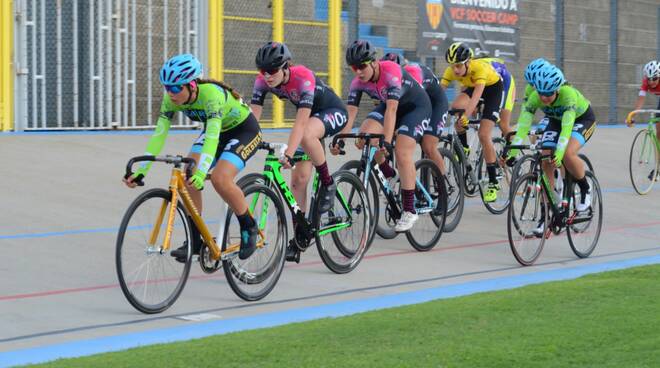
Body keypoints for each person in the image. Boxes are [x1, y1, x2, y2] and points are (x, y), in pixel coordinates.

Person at [123, 53, 261, 261]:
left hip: (244, 131)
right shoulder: (171, 100)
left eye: (176, 88)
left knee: (220, 179)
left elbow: (212, 137)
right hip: (217, 132)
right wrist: (141, 170)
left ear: (192, 85)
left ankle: (248, 225)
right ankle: (196, 240)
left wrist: (203, 171)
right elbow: (158, 135)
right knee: (188, 176)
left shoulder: (212, 96)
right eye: (167, 87)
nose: (170, 93)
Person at [333, 40, 432, 232]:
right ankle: (390, 173)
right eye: (354, 68)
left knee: (402, 152)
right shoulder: (357, 82)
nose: (358, 72)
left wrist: (386, 142)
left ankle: (410, 210)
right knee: (364, 137)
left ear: (374, 62)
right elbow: (351, 113)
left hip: (415, 108)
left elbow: (392, 110)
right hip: (390, 105)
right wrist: (341, 138)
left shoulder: (391, 71)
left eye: (361, 66)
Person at [507, 64, 596, 234]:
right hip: (555, 120)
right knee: (545, 156)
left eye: (549, 94)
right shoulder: (534, 96)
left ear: (557, 89)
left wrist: (561, 152)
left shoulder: (568, 95)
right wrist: (513, 151)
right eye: (541, 93)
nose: (545, 98)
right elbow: (524, 125)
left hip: (582, 119)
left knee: (568, 154)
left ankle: (585, 188)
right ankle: (546, 216)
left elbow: (567, 127)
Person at [440, 42, 504, 203]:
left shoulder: (480, 67)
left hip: (492, 90)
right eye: (453, 66)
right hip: (472, 87)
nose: (455, 70)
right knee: (456, 107)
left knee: (484, 135)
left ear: (468, 62)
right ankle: (465, 147)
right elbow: (439, 92)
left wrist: (466, 117)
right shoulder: (452, 70)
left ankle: (493, 182)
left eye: (459, 66)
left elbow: (476, 97)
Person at [381, 53, 449, 176]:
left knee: (428, 146)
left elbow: (416, 102)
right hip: (416, 105)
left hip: (435, 104)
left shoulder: (412, 72)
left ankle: (443, 184)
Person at [626, 60, 660, 180]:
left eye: (654, 78)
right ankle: (658, 168)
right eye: (649, 78)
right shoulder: (646, 83)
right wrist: (632, 115)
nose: (651, 82)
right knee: (658, 133)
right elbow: (640, 99)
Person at [478, 56, 516, 141]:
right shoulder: (465, 71)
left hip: (505, 83)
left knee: (503, 124)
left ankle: (514, 150)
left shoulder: (479, 70)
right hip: (491, 82)